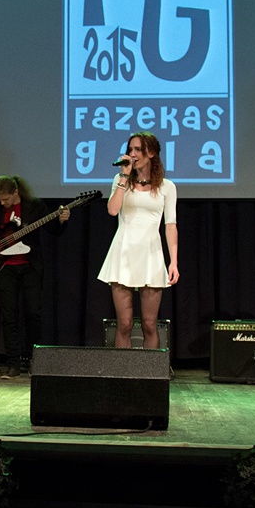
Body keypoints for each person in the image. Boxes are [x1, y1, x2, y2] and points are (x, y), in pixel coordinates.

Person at [0, 175, 70, 380]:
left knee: (33, 314)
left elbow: (54, 231)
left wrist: (62, 220)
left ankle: (32, 360)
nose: (2, 203)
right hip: (5, 267)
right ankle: (13, 363)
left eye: (6, 199)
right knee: (9, 317)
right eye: (0, 199)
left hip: (30, 266)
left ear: (16, 192)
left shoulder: (34, 206)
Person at [98, 132, 179, 349]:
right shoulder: (120, 180)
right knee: (124, 324)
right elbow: (113, 210)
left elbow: (170, 225)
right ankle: (123, 369)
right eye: (130, 150)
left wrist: (173, 262)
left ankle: (150, 370)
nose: (132, 154)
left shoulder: (167, 187)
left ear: (150, 153)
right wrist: (123, 178)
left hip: (151, 254)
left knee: (149, 324)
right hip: (123, 252)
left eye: (138, 150)